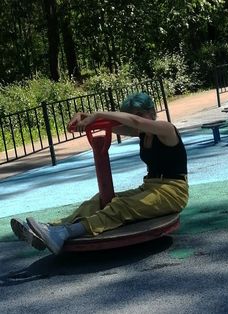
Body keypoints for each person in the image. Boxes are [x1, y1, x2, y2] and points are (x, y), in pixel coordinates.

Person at [10, 92, 189, 255]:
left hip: (173, 192)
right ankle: (50, 228)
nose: (135, 118)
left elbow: (133, 121)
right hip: (150, 186)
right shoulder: (143, 133)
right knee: (102, 199)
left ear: (151, 112)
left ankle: (65, 233)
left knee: (121, 206)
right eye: (132, 114)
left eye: (139, 114)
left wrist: (99, 113)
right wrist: (84, 117)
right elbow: (116, 125)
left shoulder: (165, 129)